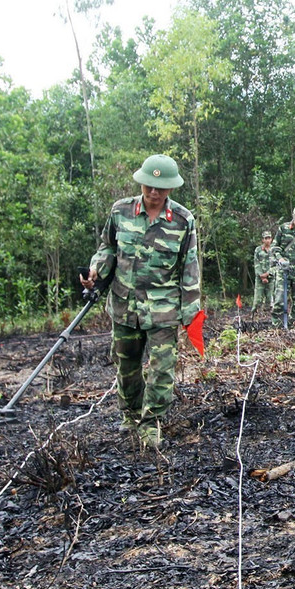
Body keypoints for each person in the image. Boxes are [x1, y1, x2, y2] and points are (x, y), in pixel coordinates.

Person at [80, 154, 200, 450]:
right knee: (127, 366)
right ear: (141, 182)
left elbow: (190, 266)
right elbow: (107, 247)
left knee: (162, 369)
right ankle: (131, 416)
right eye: (149, 185)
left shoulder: (183, 221)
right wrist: (97, 270)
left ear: (171, 188)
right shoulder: (120, 211)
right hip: (124, 304)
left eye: (161, 187)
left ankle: (150, 422)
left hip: (164, 309)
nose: (154, 192)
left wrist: (190, 309)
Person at [252, 231, 276, 322]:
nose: (267, 240)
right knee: (257, 298)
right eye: (265, 238)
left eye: (269, 238)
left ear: (271, 239)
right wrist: (262, 276)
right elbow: (256, 263)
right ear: (262, 239)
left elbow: (276, 265)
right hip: (260, 278)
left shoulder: (274, 250)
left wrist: (268, 274)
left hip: (271, 278)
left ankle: (271, 319)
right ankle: (254, 317)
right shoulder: (258, 250)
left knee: (271, 298)